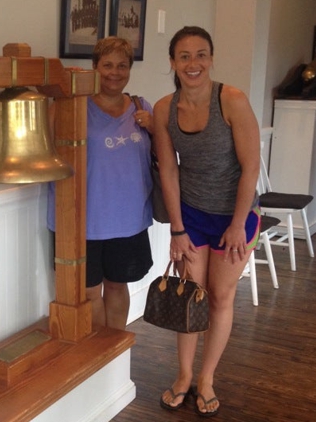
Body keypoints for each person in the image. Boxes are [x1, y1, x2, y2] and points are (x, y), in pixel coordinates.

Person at [153, 26, 260, 417]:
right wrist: (177, 229)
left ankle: (208, 378)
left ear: (211, 59)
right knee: (190, 297)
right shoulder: (165, 108)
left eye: (201, 55)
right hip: (192, 216)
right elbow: (168, 170)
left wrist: (237, 223)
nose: (192, 63)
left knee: (219, 296)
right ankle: (183, 376)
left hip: (236, 216)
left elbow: (250, 168)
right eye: (184, 56)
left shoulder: (231, 100)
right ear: (172, 62)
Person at [47, 36, 154, 331]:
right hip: (84, 220)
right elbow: (46, 145)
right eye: (107, 65)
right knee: (89, 293)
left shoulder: (142, 107)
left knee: (118, 287)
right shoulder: (70, 106)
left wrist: (154, 128)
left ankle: (114, 358)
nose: (114, 72)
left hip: (128, 221)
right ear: (94, 67)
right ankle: (99, 357)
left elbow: (165, 153)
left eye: (122, 65)